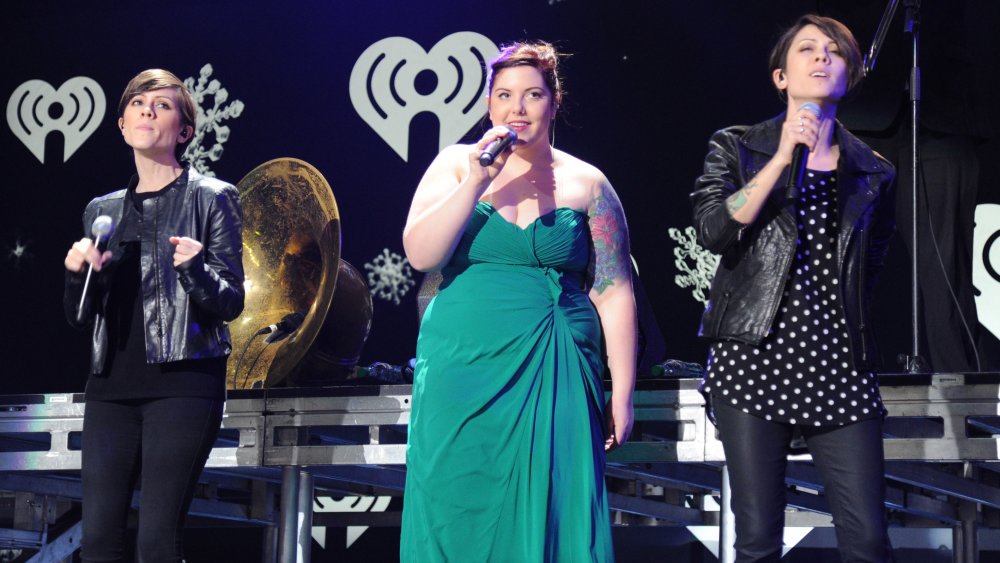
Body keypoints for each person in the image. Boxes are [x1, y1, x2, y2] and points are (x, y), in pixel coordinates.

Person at [400, 41, 637, 561]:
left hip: (554, 362)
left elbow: (614, 289)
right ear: (489, 104)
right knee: (455, 502)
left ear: (554, 103)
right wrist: (477, 181)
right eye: (504, 95)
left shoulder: (587, 182)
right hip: (461, 364)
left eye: (533, 94)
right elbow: (422, 254)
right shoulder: (456, 164)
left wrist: (622, 391)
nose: (518, 108)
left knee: (555, 503)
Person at [691, 15, 895, 563]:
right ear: (781, 76)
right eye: (807, 49)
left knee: (869, 540)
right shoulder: (736, 147)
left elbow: (871, 265)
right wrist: (782, 157)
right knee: (758, 538)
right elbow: (713, 231)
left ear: (850, 74)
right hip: (753, 359)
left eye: (834, 51)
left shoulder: (873, 170)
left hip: (838, 365)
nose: (822, 57)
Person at [63, 69, 244, 562]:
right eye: (139, 104)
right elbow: (80, 318)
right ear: (122, 125)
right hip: (110, 389)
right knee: (99, 541)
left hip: (184, 382)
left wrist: (195, 271)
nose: (147, 110)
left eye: (162, 106)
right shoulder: (101, 209)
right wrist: (80, 274)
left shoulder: (213, 197)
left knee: (156, 541)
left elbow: (232, 302)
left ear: (183, 132)